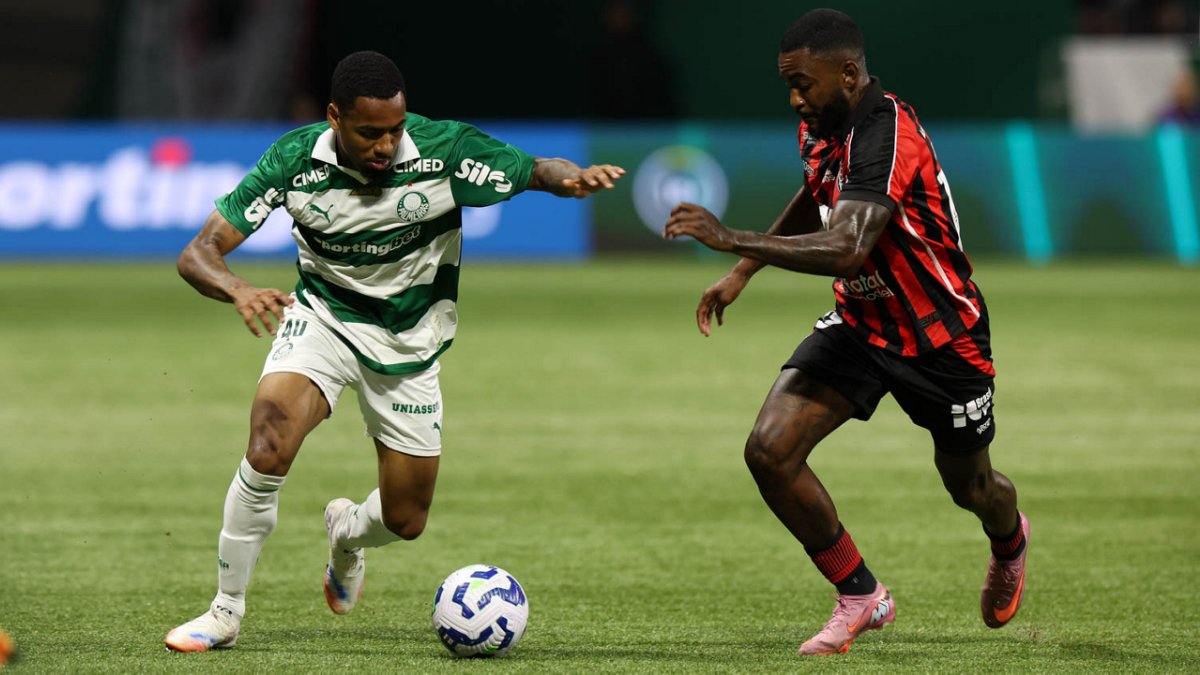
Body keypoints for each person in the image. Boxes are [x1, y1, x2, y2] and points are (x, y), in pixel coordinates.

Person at [164, 50, 625, 652]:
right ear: (334, 117)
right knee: (269, 436)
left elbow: (537, 169)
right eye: (369, 132)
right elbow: (198, 252)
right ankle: (224, 612)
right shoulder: (293, 160)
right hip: (324, 319)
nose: (386, 145)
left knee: (406, 520)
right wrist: (238, 287)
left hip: (409, 340)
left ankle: (347, 534)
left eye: (394, 130)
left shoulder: (446, 152)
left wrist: (572, 179)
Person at [663, 9, 1028, 656]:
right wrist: (745, 271)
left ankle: (1010, 540)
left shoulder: (888, 133)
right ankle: (861, 594)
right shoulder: (820, 125)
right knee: (769, 449)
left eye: (804, 83)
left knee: (971, 487)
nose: (795, 98)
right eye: (790, 85)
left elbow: (848, 246)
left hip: (941, 337)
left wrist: (730, 239)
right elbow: (815, 194)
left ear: (850, 73)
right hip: (862, 323)